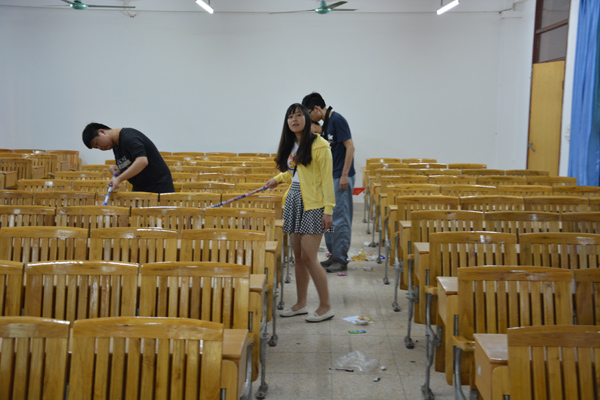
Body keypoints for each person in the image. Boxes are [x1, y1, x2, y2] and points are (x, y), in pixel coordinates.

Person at [265, 103, 336, 322]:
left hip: (314, 204)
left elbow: (327, 180)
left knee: (309, 257)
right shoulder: (292, 145)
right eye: (290, 117)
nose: (294, 119)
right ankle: (301, 304)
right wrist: (277, 179)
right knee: (298, 257)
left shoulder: (320, 145)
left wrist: (328, 210)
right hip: (294, 199)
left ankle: (326, 306)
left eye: (298, 115)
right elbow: (294, 173)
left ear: (307, 117)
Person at [302, 93, 356, 273]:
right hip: (331, 176)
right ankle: (334, 254)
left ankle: (341, 259)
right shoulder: (326, 124)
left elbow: (350, 147)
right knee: (329, 217)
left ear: (317, 108)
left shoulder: (338, 120)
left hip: (341, 176)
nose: (310, 118)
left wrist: (344, 175)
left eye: (309, 113)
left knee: (340, 218)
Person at [81, 123, 175, 194]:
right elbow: (130, 164)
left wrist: (119, 179)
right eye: (97, 148)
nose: (100, 148)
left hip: (158, 187)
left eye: (97, 143)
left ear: (102, 132)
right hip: (140, 188)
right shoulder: (115, 145)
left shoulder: (129, 137)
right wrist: (117, 168)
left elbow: (142, 161)